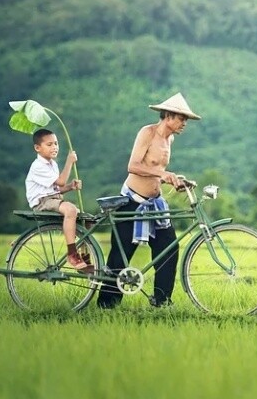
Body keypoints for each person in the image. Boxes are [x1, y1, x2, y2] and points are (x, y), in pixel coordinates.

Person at [97, 92, 201, 309]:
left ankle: (162, 301)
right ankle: (106, 305)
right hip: (132, 201)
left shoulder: (169, 139)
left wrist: (174, 179)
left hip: (155, 202)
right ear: (169, 116)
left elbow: (158, 170)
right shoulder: (148, 132)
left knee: (169, 248)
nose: (184, 124)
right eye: (182, 119)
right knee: (120, 256)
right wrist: (162, 175)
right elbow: (133, 166)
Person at [24, 128, 92, 273]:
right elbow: (60, 182)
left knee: (87, 220)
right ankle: (72, 254)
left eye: (56, 143)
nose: (54, 147)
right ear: (37, 148)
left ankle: (86, 257)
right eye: (49, 144)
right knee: (71, 209)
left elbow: (58, 188)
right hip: (42, 202)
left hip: (53, 198)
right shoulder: (38, 166)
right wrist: (69, 162)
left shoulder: (52, 164)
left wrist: (71, 186)